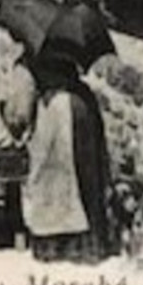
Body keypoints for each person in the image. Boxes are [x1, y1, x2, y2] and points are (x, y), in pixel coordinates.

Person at [22, 39, 115, 264]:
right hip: (80, 103)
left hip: (59, 108)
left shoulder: (40, 45)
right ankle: (88, 244)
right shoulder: (70, 40)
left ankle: (55, 245)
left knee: (50, 176)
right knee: (87, 174)